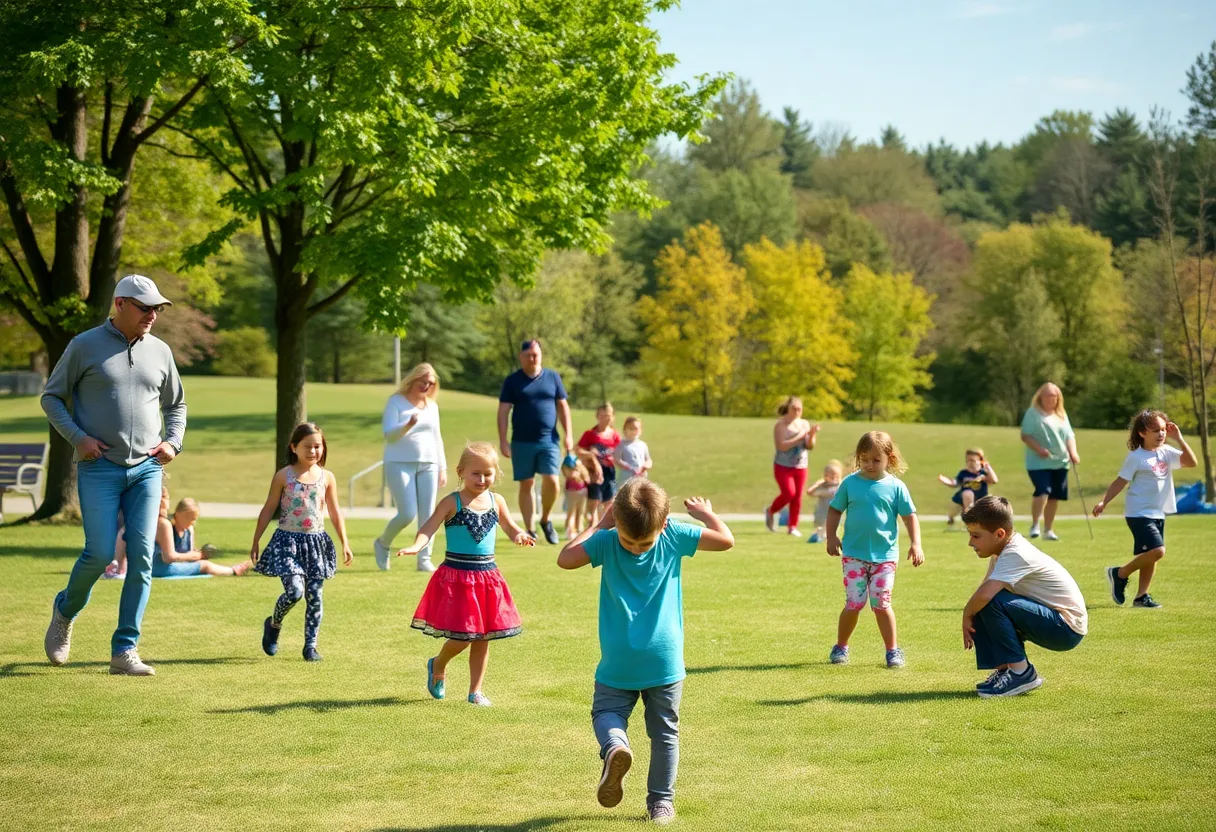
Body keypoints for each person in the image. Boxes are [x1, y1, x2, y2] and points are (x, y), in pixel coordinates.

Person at [557, 479, 735, 826]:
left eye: (642, 543)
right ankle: (661, 804)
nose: (636, 548)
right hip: (664, 661)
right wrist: (708, 515)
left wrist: (601, 524)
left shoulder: (607, 541)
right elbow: (726, 540)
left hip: (618, 660)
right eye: (629, 541)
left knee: (607, 713)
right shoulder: (673, 535)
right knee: (665, 734)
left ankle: (614, 747)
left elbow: (565, 558)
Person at [42, 274, 186, 677]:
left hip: (147, 469)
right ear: (120, 304)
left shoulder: (160, 351)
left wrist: (173, 442)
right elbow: (51, 397)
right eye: (145, 307)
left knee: (141, 559)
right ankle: (65, 610)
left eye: (157, 308)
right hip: (98, 467)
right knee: (101, 553)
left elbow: (177, 405)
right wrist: (78, 438)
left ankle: (124, 649)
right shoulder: (83, 345)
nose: (153, 315)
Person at [399, 442, 535, 706]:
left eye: (488, 473)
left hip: (487, 577)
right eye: (476, 473)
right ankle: (438, 664)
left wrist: (520, 535)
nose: (482, 479)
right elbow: (429, 527)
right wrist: (416, 546)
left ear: (496, 473)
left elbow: (510, 527)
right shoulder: (452, 501)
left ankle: (476, 691)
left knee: (484, 636)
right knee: (465, 635)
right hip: (458, 577)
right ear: (461, 472)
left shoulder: (498, 501)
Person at [961, 496, 1087, 698]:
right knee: (982, 603)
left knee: (988, 600)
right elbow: (982, 590)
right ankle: (1006, 670)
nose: (970, 542)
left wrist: (966, 615)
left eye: (976, 536)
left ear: (1000, 534)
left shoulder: (1015, 553)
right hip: (1053, 621)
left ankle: (1022, 673)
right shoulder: (1001, 553)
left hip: (1065, 628)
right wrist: (971, 612)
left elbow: (985, 595)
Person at [251, 423, 354, 662]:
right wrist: (256, 540)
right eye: (307, 446)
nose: (313, 451)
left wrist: (345, 542)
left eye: (317, 446)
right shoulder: (283, 476)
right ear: (294, 447)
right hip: (287, 542)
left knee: (315, 597)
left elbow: (335, 511)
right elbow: (268, 509)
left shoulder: (327, 477)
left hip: (316, 544)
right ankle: (274, 624)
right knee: (295, 592)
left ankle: (310, 646)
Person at [826, 431, 923, 668]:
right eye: (864, 459)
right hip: (853, 556)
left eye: (876, 460)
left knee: (881, 604)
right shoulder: (850, 483)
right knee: (854, 603)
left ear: (889, 458)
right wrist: (831, 536)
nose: (869, 464)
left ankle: (893, 651)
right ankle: (841, 647)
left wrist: (916, 543)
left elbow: (909, 516)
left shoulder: (896, 486)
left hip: (885, 558)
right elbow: (834, 510)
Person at [1094, 411, 1197, 609]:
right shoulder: (1136, 457)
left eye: (1163, 430)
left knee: (1151, 554)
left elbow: (1191, 462)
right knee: (1158, 551)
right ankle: (1120, 573)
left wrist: (1180, 439)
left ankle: (1141, 597)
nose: (1161, 434)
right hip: (1138, 512)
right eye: (1155, 430)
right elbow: (1120, 481)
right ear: (1142, 433)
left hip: (1158, 512)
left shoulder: (1166, 451)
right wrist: (1103, 502)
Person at [498, 339, 574, 544]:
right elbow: (503, 411)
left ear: (540, 355)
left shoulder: (552, 377)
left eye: (536, 355)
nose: (533, 358)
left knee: (552, 480)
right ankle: (530, 529)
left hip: (549, 440)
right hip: (521, 441)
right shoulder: (512, 381)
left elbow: (562, 407)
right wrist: (503, 440)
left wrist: (568, 434)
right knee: (527, 484)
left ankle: (546, 519)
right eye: (528, 355)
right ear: (521, 357)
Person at [374, 363, 447, 573]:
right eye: (423, 381)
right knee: (407, 514)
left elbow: (437, 438)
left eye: (430, 383)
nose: (426, 386)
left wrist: (442, 467)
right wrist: (407, 425)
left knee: (428, 515)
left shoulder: (432, 407)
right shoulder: (396, 402)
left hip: (429, 463)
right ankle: (383, 543)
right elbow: (389, 434)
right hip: (399, 462)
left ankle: (424, 559)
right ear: (413, 379)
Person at [116, 492, 249, 578]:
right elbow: (168, 557)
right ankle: (233, 571)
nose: (193, 522)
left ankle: (233, 569)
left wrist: (196, 554)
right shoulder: (166, 526)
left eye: (195, 519)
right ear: (179, 514)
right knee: (205, 566)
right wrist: (196, 556)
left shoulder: (189, 530)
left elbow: (187, 554)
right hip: (159, 568)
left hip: (170, 566)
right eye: (190, 518)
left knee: (203, 562)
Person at [1020, 382, 1079, 541]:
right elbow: (1025, 435)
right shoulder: (1033, 413)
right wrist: (1039, 449)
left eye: (1054, 395)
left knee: (1054, 496)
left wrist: (1073, 453)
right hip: (1038, 462)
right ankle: (1035, 525)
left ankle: (1048, 529)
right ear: (1041, 396)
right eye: (1048, 395)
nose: (1051, 398)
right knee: (1042, 490)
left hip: (1060, 462)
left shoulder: (1061, 414)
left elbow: (1069, 436)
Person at [766, 396, 819, 537]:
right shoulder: (781, 425)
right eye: (794, 408)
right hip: (783, 465)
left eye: (799, 409)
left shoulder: (804, 424)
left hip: (801, 465)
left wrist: (812, 435)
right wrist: (800, 437)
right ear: (788, 409)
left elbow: (810, 446)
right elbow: (781, 446)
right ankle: (771, 510)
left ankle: (792, 526)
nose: (797, 411)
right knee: (789, 493)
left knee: (797, 497)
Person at [578, 403, 622, 525]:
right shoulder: (590, 434)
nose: (605, 419)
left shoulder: (615, 435)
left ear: (612, 417)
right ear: (597, 416)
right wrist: (591, 455)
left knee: (609, 501)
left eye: (608, 416)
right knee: (594, 500)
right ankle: (591, 527)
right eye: (602, 416)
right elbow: (578, 450)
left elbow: (621, 452)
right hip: (594, 471)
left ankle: (606, 526)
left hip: (609, 471)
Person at [938, 449, 998, 529]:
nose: (970, 463)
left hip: (979, 499)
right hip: (961, 499)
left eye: (973, 461)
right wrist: (946, 481)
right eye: (968, 461)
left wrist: (988, 468)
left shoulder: (983, 473)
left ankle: (970, 522)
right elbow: (955, 483)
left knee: (988, 503)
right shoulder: (963, 473)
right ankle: (951, 520)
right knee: (953, 511)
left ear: (981, 461)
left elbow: (994, 481)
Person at [805, 460, 844, 545]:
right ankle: (819, 537)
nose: (834, 478)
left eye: (836, 476)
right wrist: (817, 484)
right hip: (822, 514)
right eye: (830, 475)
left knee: (833, 530)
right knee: (821, 529)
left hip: (835, 515)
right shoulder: (823, 488)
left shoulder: (840, 487)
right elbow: (809, 492)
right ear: (825, 476)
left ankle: (830, 541)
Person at [614, 416, 653, 486]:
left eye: (637, 429)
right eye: (631, 428)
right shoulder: (621, 444)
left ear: (640, 430)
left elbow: (648, 459)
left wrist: (647, 465)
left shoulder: (642, 444)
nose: (634, 431)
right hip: (626, 478)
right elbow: (617, 460)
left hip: (641, 477)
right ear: (625, 430)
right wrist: (630, 467)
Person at [562, 453, 592, 540]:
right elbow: (587, 480)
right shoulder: (575, 471)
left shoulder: (571, 471)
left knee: (575, 512)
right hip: (577, 492)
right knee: (575, 512)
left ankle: (576, 531)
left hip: (577, 492)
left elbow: (587, 479)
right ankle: (573, 531)